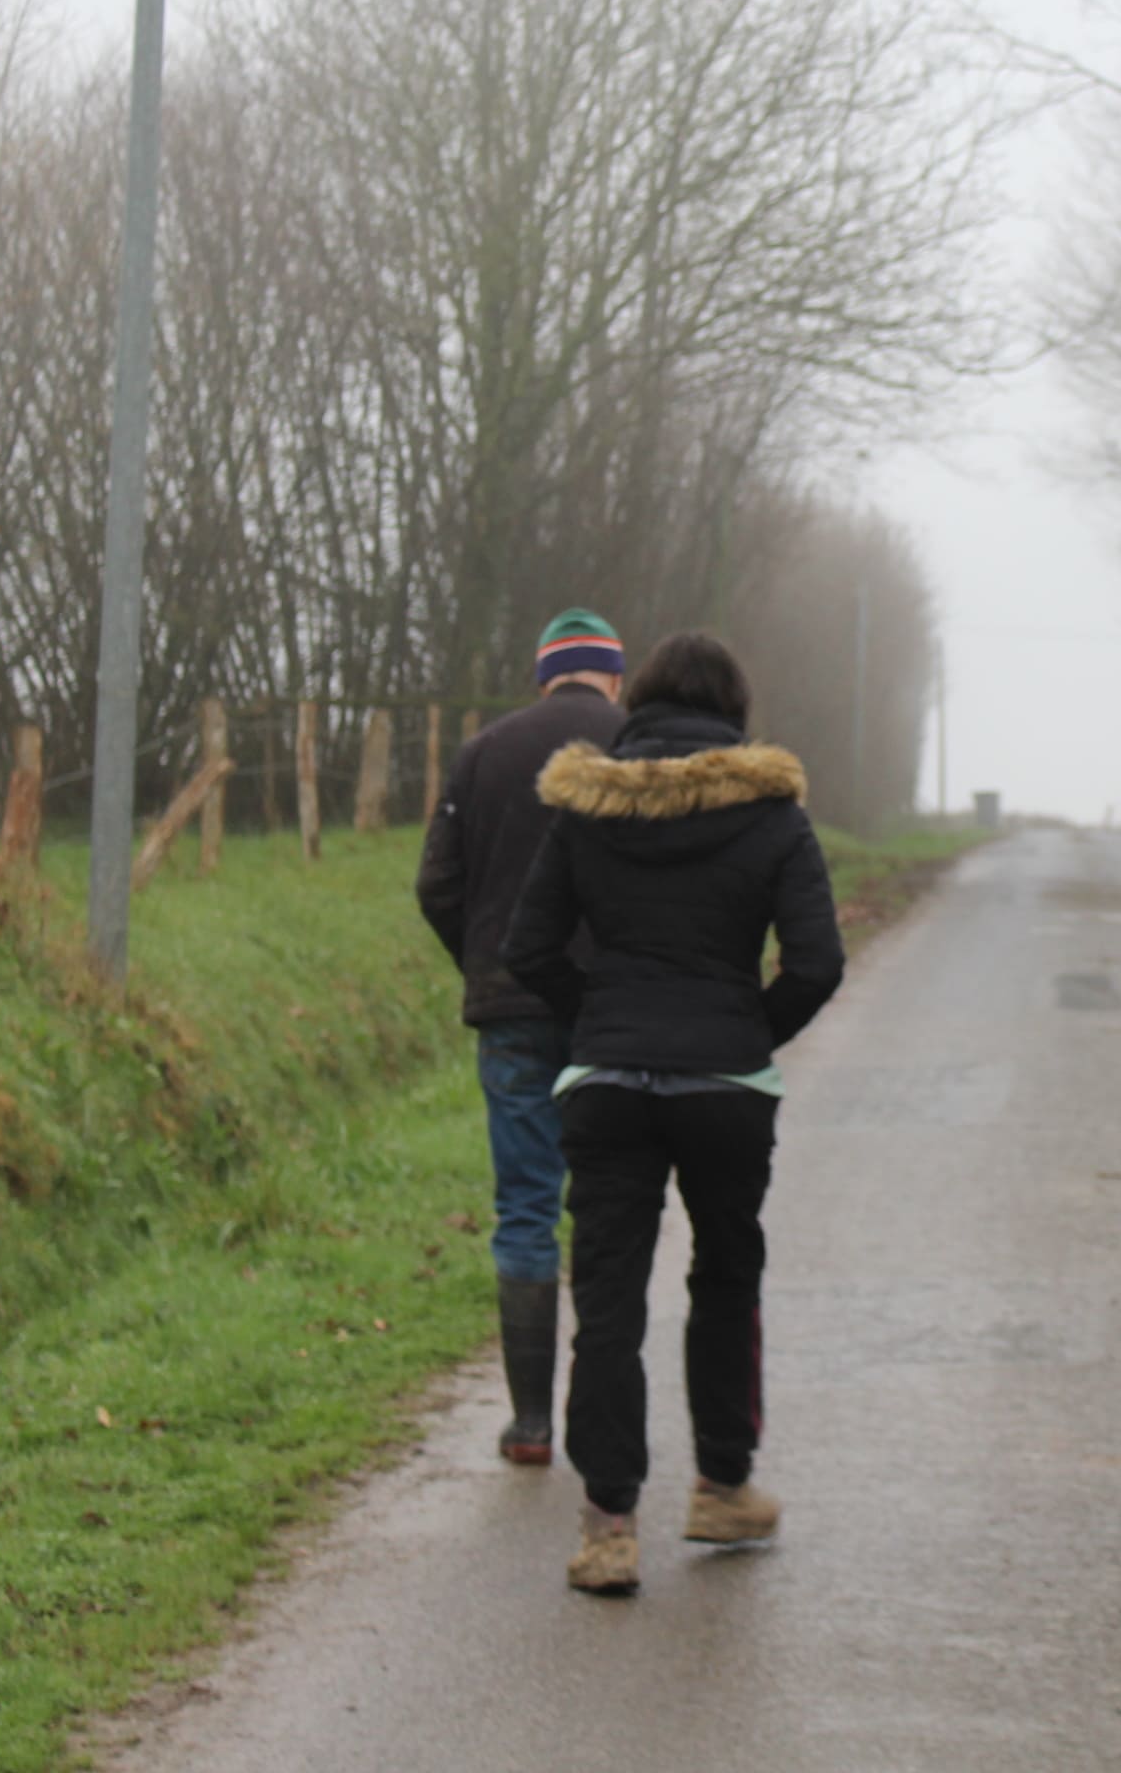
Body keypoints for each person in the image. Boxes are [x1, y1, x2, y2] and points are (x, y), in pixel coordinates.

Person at [505, 629, 843, 1596]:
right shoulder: (774, 814)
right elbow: (816, 963)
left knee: (607, 1302)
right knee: (726, 1278)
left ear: (638, 706)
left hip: (608, 1082)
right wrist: (747, 1031)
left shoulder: (587, 808)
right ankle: (721, 1487)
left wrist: (595, 1024)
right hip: (724, 1087)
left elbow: (530, 949)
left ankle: (608, 1527)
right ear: (734, 712)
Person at [417, 608, 631, 1465]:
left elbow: (438, 883)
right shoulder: (639, 744)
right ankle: (600, 1412)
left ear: (545, 674)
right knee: (611, 1209)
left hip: (511, 1010)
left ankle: (531, 1422)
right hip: (615, 1012)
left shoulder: (485, 751)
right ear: (613, 675)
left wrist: (486, 960)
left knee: (527, 1209)